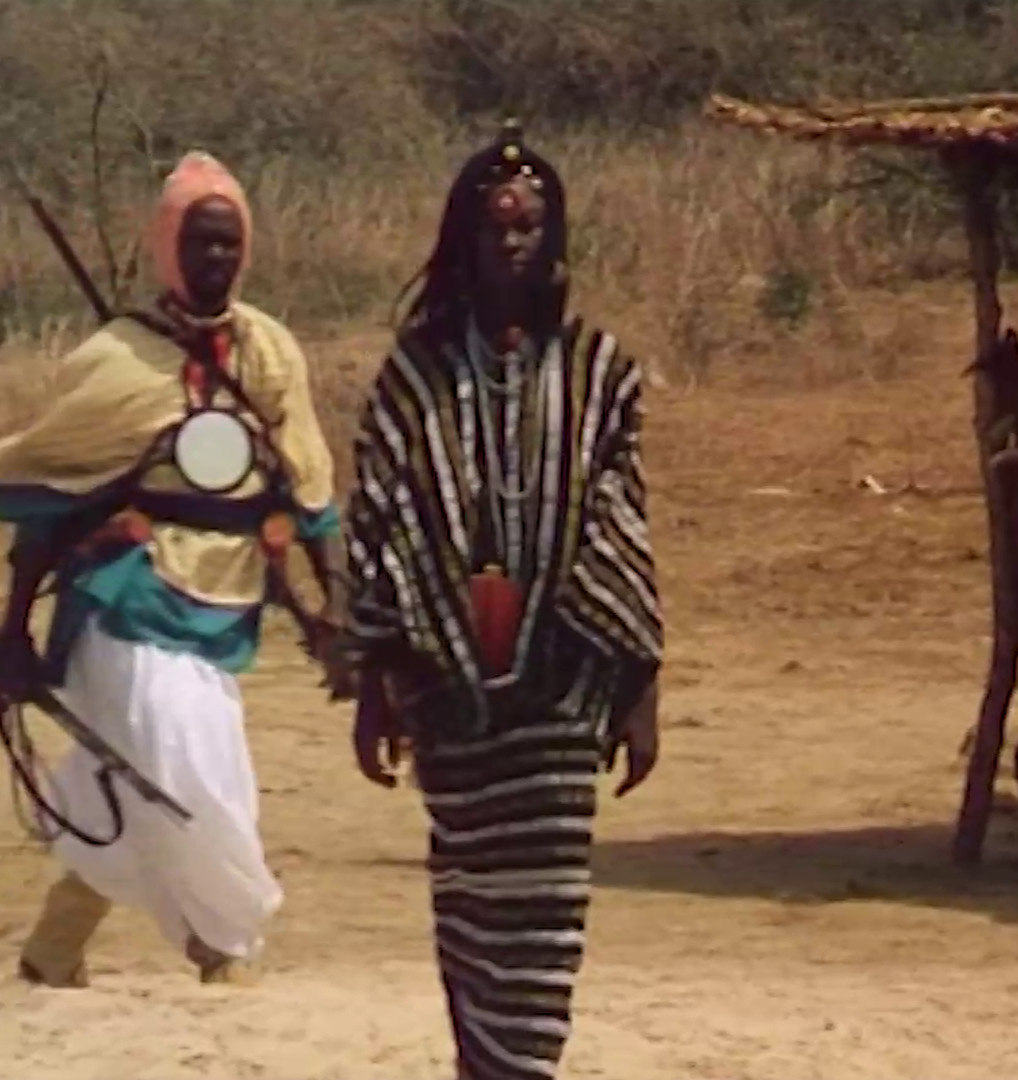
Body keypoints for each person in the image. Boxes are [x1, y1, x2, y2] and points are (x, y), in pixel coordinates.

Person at [331, 122, 663, 1078]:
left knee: (547, 917)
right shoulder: (417, 374)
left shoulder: (599, 370)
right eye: (496, 227)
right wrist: (375, 684)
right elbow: (381, 520)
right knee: (472, 907)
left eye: (530, 226)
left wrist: (640, 688)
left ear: (553, 237)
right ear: (465, 239)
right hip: (448, 687)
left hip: (563, 685)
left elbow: (622, 524)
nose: (513, 242)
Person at [0, 150, 340, 988]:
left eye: (228, 242)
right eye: (200, 242)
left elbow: (307, 485)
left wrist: (334, 611)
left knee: (127, 776)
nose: (216, 257)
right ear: (171, 248)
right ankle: (224, 946)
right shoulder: (116, 359)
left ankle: (54, 949)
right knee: (187, 764)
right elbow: (44, 502)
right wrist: (14, 633)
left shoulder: (269, 352)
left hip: (227, 597)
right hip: (126, 596)